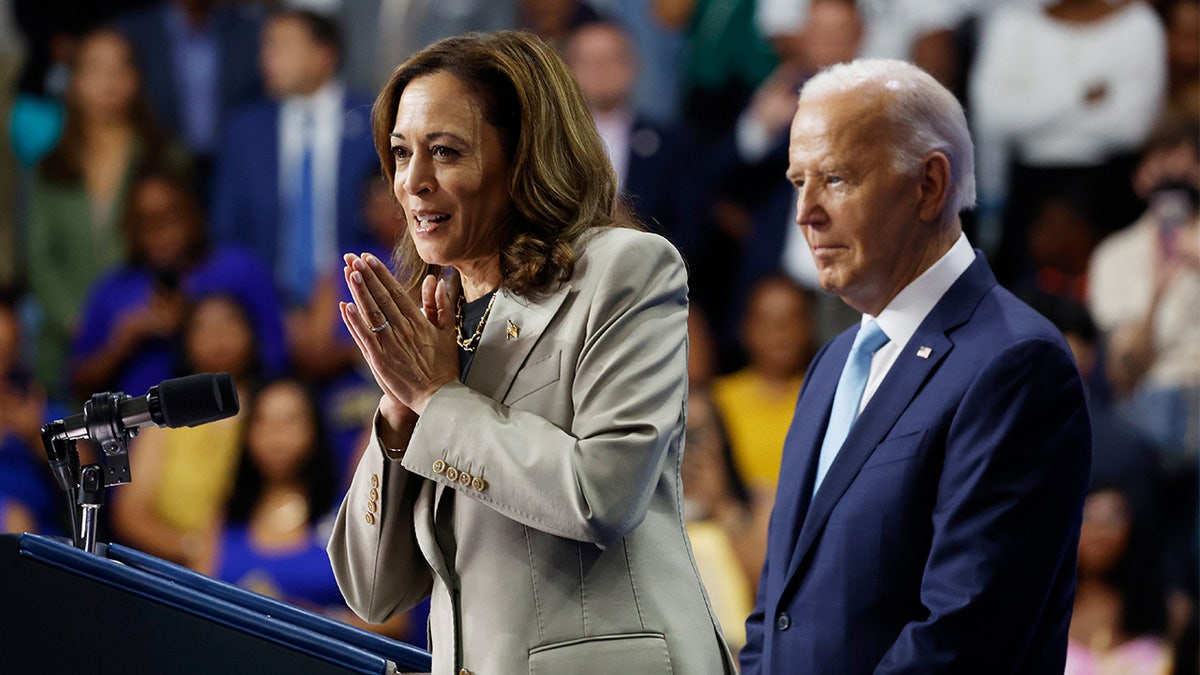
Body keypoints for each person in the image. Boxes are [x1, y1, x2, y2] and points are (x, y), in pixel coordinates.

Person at [326, 30, 735, 674]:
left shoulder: (624, 270)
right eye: (401, 154)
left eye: (445, 152)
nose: (413, 183)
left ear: (524, 156)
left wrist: (438, 400)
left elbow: (601, 495)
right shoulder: (438, 315)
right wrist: (402, 417)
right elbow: (373, 590)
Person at [740, 59, 1092, 673]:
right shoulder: (830, 364)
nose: (806, 212)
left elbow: (963, 637)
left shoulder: (1015, 364)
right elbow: (776, 611)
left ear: (929, 184)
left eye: (837, 179)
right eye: (799, 182)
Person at [25, 27, 186, 401]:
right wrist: (82, 321)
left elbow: (183, 246)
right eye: (95, 68)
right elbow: (39, 257)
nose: (109, 81)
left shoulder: (165, 156)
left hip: (151, 335)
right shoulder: (51, 166)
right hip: (67, 343)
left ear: (137, 78)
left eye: (120, 68)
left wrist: (138, 318)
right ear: (75, 81)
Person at [70, 166, 287, 401]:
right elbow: (77, 383)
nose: (159, 234)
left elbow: (277, 358)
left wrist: (192, 325)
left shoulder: (239, 270)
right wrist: (121, 345)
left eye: (169, 219)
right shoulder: (112, 290)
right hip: (141, 431)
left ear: (194, 213)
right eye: (145, 224)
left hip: (235, 422)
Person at [208, 9, 377, 309]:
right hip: (263, 307)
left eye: (281, 46)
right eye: (265, 47)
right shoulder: (245, 130)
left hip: (358, 302)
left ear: (324, 54)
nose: (266, 59)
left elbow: (386, 226)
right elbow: (228, 230)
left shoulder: (372, 121)